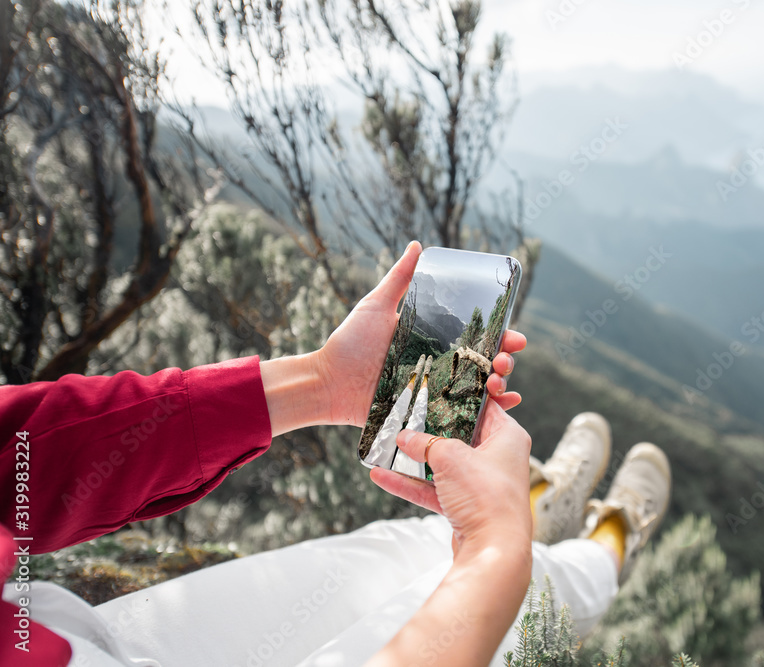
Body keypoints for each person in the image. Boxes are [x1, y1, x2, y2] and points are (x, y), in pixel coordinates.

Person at [0, 241, 671, 666]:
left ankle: (534, 510)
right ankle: (608, 543)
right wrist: (500, 547)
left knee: (409, 546)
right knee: (526, 586)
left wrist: (323, 381)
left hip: (65, 634)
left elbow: (18, 454)